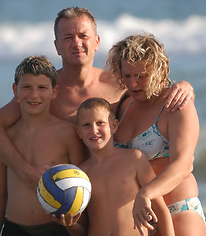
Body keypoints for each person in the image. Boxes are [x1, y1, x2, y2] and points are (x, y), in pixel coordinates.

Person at [0, 6, 195, 191]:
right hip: (64, 195)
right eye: (68, 37)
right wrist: (26, 172)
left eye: (83, 36)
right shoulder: (46, 90)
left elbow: (153, 94)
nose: (77, 43)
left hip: (110, 193)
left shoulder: (120, 84)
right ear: (57, 46)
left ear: (97, 41)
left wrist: (185, 86)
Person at [108, 33, 206, 235]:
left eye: (141, 76)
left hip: (178, 209)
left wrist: (147, 192)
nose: (133, 83)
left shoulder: (176, 104)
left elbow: (183, 165)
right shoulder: (123, 106)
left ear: (158, 71)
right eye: (127, 75)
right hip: (139, 217)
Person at [0, 56, 86, 236]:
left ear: (54, 92)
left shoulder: (68, 133)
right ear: (15, 90)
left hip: (57, 228)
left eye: (42, 88)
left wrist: (75, 226)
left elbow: (83, 187)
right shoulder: (7, 137)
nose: (34, 95)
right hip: (14, 228)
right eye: (26, 87)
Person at [64, 97, 174, 236]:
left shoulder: (134, 159)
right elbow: (83, 229)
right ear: (78, 132)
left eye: (100, 123)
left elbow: (161, 211)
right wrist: (71, 225)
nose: (94, 130)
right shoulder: (80, 175)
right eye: (86, 125)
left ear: (114, 126)